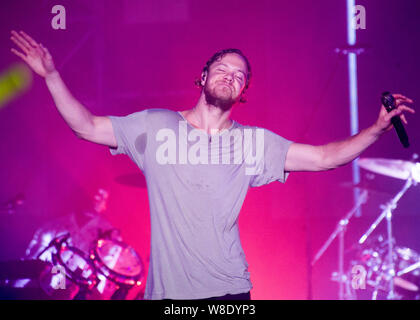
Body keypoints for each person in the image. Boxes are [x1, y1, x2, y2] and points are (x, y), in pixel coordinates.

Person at [10, 30, 415, 300]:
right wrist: (51, 76)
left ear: (244, 93)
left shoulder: (254, 143)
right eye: (221, 68)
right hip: (168, 298)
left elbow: (326, 157)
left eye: (239, 75)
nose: (229, 76)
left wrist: (376, 129)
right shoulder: (155, 125)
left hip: (229, 294)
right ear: (201, 77)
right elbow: (85, 126)